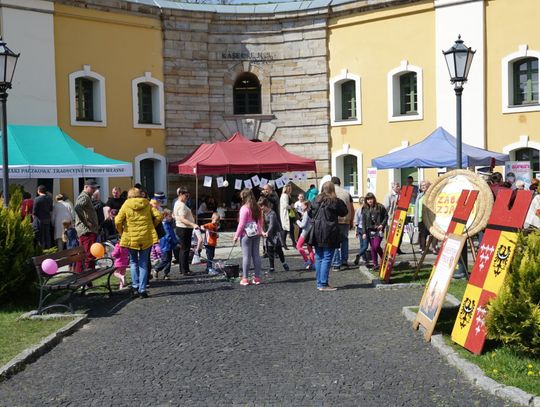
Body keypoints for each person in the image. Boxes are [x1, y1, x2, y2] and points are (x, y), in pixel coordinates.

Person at [115, 187, 162, 298]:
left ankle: (135, 287)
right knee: (144, 263)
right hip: (146, 236)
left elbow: (117, 220)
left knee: (133, 262)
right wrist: (152, 225)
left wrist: (121, 231)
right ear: (140, 194)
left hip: (131, 237)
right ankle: (142, 289)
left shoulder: (126, 204)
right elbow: (159, 216)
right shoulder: (147, 203)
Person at [308, 181, 348, 291]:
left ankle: (319, 282)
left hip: (316, 230)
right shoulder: (334, 201)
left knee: (319, 257)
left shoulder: (315, 199)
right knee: (326, 257)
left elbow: (309, 213)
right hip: (329, 230)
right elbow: (344, 212)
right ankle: (323, 283)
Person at [234, 188, 264, 286]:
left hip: (246, 234)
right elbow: (260, 222)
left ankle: (245, 279)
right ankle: (257, 278)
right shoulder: (257, 207)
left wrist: (236, 236)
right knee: (256, 255)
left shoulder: (244, 208)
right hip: (256, 233)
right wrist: (261, 231)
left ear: (244, 196)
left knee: (246, 256)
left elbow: (241, 224)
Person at [74, 180, 100, 271]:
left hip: (88, 231)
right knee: (88, 254)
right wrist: (86, 222)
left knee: (84, 254)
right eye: (92, 188)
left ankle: (82, 275)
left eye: (95, 188)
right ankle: (87, 276)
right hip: (87, 231)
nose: (94, 190)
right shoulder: (84, 196)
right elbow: (77, 207)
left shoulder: (87, 197)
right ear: (85, 187)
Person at [173, 187, 200, 276]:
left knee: (183, 249)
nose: (187, 197)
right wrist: (193, 224)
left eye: (188, 195)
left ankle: (183, 269)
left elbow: (175, 216)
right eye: (186, 195)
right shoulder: (181, 205)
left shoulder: (177, 203)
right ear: (181, 194)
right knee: (185, 250)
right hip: (184, 229)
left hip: (182, 228)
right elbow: (182, 219)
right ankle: (185, 270)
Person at [259, 197, 289, 273]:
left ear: (266, 205)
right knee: (270, 250)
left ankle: (284, 263)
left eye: (262, 206)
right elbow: (261, 224)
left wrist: (267, 232)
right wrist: (262, 232)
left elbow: (271, 225)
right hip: (268, 234)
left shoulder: (272, 213)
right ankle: (272, 267)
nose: (261, 208)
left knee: (278, 250)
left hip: (275, 233)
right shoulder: (262, 213)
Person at [330, 176, 354, 270]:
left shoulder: (330, 193)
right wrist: (351, 220)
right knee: (344, 240)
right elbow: (351, 208)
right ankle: (344, 261)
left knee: (335, 241)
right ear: (340, 183)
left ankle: (336, 263)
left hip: (334, 220)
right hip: (345, 220)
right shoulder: (347, 193)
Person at [362, 192, 388, 270]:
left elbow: (386, 216)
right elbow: (363, 221)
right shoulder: (364, 209)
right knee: (372, 248)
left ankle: (384, 259)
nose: (370, 201)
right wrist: (364, 232)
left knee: (376, 246)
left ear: (374, 199)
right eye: (368, 199)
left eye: (371, 199)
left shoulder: (380, 207)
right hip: (369, 230)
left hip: (379, 230)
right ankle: (375, 264)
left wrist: (382, 225)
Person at [152, 209, 179, 280]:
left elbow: (172, 234)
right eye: (170, 216)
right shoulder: (165, 225)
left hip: (169, 245)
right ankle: (156, 269)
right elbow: (168, 236)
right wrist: (176, 243)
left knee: (169, 260)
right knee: (165, 260)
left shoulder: (168, 224)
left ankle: (166, 273)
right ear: (165, 216)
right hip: (166, 245)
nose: (171, 218)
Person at [414, 181, 437, 255]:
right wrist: (416, 219)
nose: (423, 186)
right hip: (422, 218)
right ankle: (423, 249)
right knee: (422, 234)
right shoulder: (419, 195)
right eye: (421, 185)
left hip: (431, 218)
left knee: (433, 234)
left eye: (425, 185)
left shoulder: (433, 195)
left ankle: (434, 248)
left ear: (429, 186)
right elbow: (416, 208)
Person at [383, 182, 404, 255]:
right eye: (397, 186)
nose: (399, 187)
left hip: (400, 217)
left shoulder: (401, 195)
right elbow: (386, 207)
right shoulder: (389, 195)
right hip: (392, 218)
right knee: (392, 234)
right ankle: (391, 250)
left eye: (399, 186)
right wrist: (388, 216)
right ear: (393, 187)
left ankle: (398, 248)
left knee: (400, 234)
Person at [295, 199, 315, 269]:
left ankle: (307, 260)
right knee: (310, 248)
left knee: (298, 246)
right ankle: (312, 264)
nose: (301, 206)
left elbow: (302, 225)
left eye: (302, 205)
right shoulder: (311, 212)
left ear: (306, 206)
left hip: (305, 232)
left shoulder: (306, 213)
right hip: (310, 232)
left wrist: (297, 221)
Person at [279, 184, 296, 250]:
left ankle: (293, 243)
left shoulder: (287, 195)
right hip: (286, 214)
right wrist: (292, 206)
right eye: (289, 188)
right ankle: (284, 243)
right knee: (286, 229)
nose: (290, 190)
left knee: (291, 229)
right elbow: (285, 205)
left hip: (289, 214)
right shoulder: (284, 195)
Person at [353, 197, 369, 266]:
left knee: (362, 245)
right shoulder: (364, 210)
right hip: (363, 229)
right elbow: (356, 221)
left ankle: (364, 259)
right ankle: (359, 255)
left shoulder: (358, 210)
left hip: (360, 228)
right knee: (365, 246)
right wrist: (356, 231)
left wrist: (356, 231)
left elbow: (356, 221)